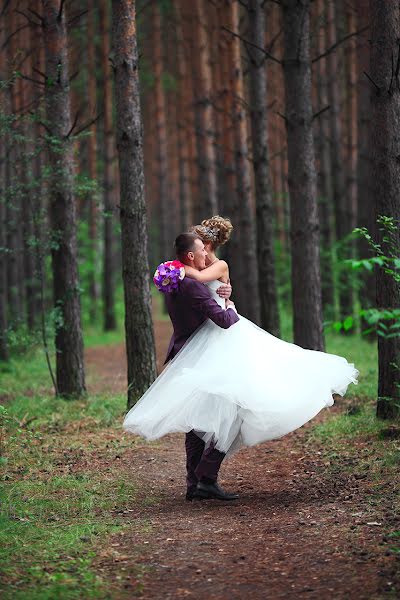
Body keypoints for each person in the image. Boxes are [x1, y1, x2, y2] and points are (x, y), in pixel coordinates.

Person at [123, 217, 359, 502]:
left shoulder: (176, 276)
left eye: (204, 244)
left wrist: (222, 289)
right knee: (235, 409)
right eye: (199, 247)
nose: (204, 252)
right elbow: (223, 320)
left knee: (201, 420)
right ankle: (205, 478)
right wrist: (231, 306)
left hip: (191, 350)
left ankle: (195, 483)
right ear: (193, 252)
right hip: (213, 350)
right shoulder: (191, 282)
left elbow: (208, 284)